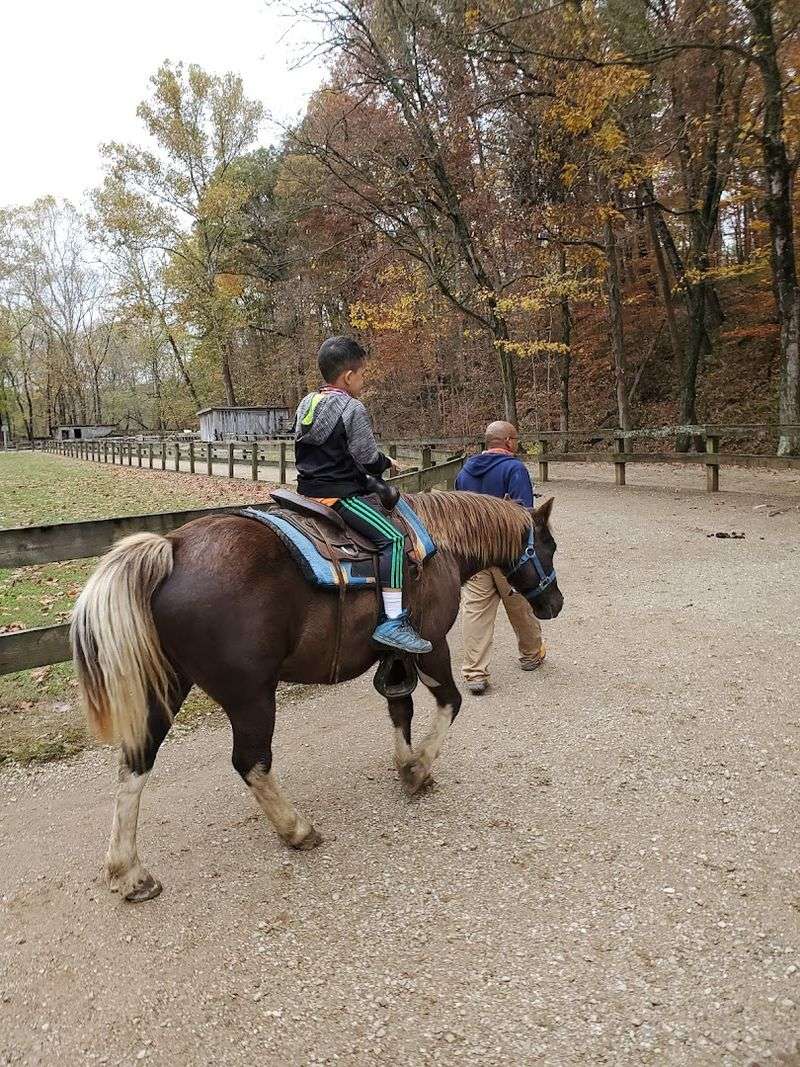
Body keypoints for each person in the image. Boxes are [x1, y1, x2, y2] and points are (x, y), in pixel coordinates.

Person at [294, 336, 432, 655]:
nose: (363, 379)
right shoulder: (352, 407)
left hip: (306, 493)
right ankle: (394, 621)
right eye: (362, 373)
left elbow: (331, 451)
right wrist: (387, 463)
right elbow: (367, 459)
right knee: (394, 540)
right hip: (339, 496)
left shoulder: (306, 403)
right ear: (348, 377)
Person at [454, 420, 545, 695]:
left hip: (475, 554)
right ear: (507, 441)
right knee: (519, 603)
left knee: (475, 611)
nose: (516, 445)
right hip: (507, 555)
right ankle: (531, 654)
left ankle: (474, 673)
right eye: (515, 440)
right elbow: (524, 515)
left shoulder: (465, 470)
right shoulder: (514, 468)